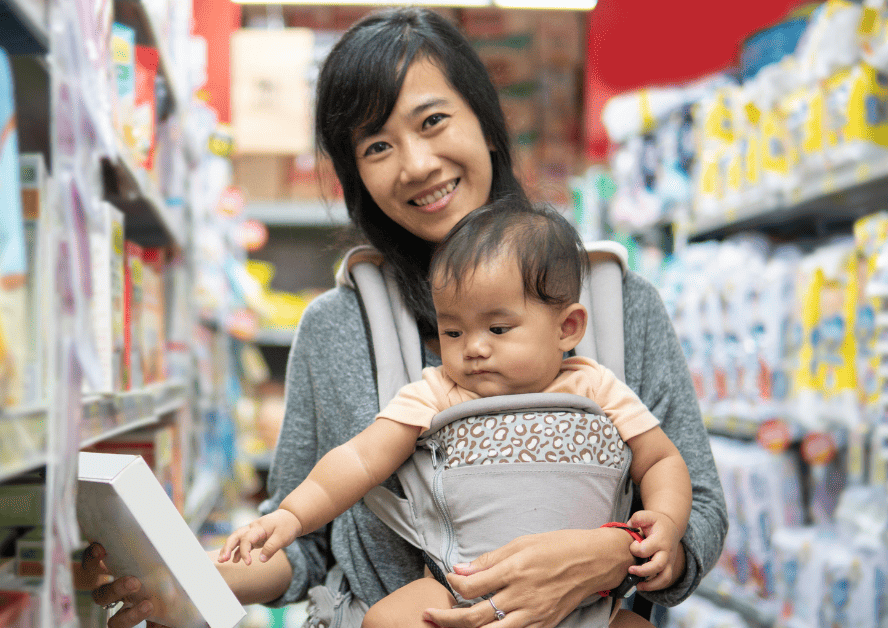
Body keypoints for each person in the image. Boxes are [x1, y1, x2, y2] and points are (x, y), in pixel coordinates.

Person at [83, 8, 727, 628]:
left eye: (434, 120)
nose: (417, 164)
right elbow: (307, 544)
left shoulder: (617, 302)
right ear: (355, 174)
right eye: (378, 145)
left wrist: (610, 553)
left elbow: (696, 506)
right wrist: (190, 575)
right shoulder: (336, 328)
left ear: (486, 122)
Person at [216, 198, 691, 628]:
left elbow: (661, 460)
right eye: (453, 332)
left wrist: (665, 523)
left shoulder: (598, 387)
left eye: (498, 329)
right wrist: (292, 515)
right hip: (456, 592)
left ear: (567, 327)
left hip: (584, 602)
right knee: (386, 620)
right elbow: (360, 459)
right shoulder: (438, 391)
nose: (473, 349)